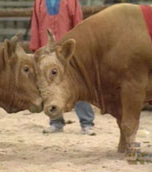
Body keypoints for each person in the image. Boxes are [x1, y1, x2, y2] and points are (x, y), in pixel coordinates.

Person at [30, 0, 95, 135]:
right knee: (51, 89)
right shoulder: (39, 2)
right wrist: (36, 47)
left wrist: (79, 47)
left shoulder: (72, 1)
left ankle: (86, 123)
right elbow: (35, 25)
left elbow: (78, 24)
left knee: (77, 86)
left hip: (66, 52)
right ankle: (55, 122)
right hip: (47, 52)